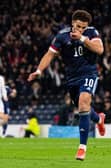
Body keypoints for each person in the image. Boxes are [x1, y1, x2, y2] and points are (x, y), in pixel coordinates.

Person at [28, 10, 105, 160]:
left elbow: (100, 50)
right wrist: (38, 70)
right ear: (72, 24)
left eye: (84, 27)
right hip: (71, 78)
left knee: (84, 102)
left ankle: (82, 147)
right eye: (78, 26)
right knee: (83, 107)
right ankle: (99, 119)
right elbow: (49, 54)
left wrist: (83, 38)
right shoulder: (62, 36)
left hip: (89, 74)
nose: (81, 29)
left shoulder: (91, 32)